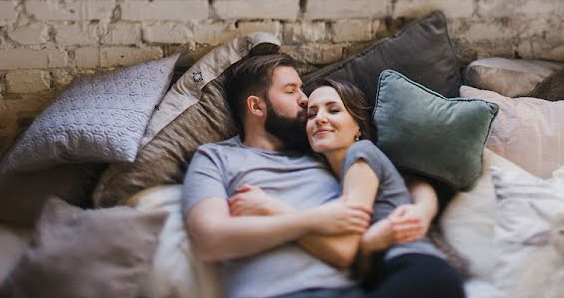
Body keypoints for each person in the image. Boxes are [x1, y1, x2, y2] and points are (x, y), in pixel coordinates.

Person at [182, 53, 442, 298]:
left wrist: (422, 210)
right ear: (256, 106)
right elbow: (210, 240)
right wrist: (315, 219)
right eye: (291, 90)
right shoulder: (215, 157)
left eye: (302, 89)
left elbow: (399, 181)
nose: (305, 100)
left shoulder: (321, 150)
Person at [230, 78, 464, 298]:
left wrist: (270, 207)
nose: (320, 118)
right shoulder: (330, 177)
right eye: (312, 114)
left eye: (333, 110)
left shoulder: (361, 152)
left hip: (416, 270)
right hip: (393, 277)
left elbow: (349, 243)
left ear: (357, 128)